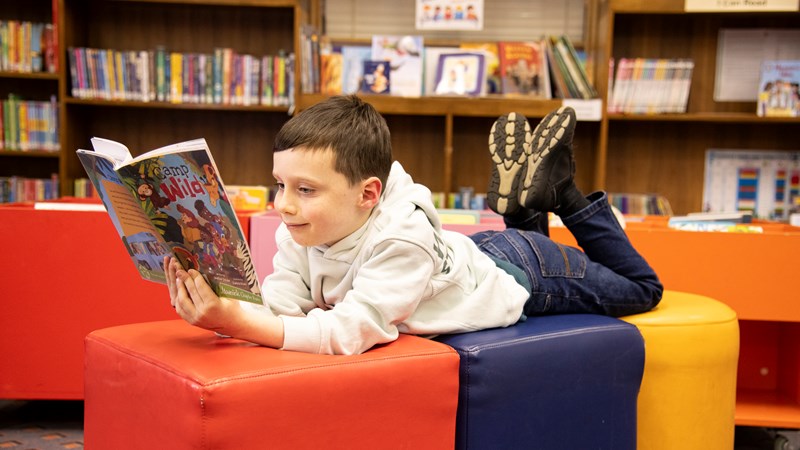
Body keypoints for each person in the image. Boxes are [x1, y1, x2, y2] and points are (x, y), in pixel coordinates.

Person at [166, 95, 663, 355]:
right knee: (520, 240)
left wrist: (237, 323)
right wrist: (227, 303)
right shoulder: (301, 227)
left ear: (368, 195)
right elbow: (283, 304)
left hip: (525, 273)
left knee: (643, 289)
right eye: (280, 185)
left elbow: (352, 330)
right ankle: (531, 201)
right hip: (471, 255)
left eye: (305, 189)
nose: (284, 205)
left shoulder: (400, 238)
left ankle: (565, 194)